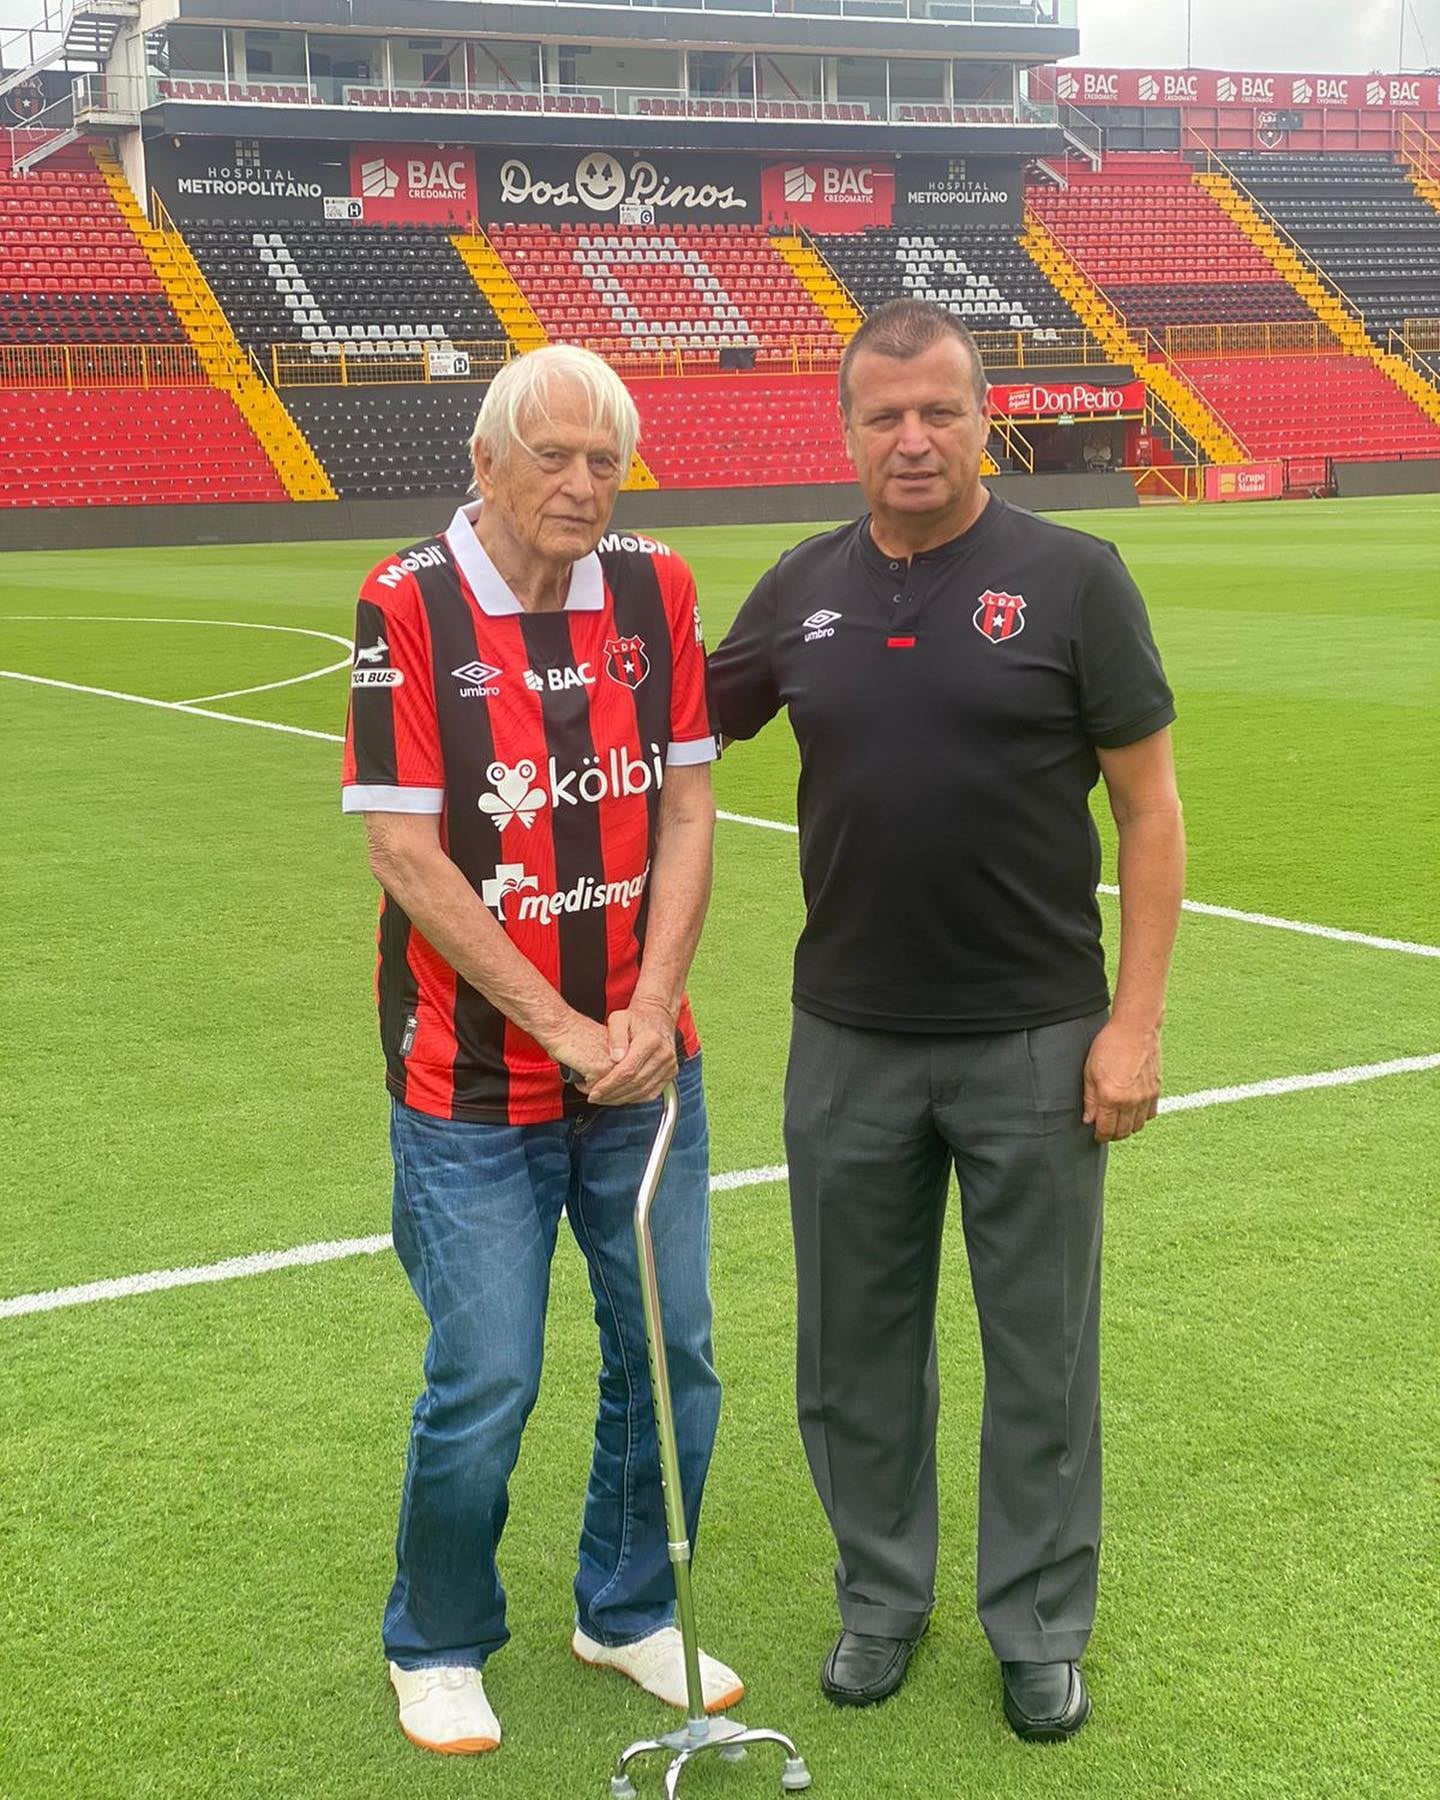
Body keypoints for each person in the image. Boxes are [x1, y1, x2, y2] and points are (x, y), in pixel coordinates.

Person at [707, 300, 1184, 1742]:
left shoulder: (1075, 578)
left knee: (1041, 1351)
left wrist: (1134, 1025)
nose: (913, 438)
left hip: (1036, 1036)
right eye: (885, 416)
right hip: (846, 1036)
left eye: (940, 411)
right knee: (854, 1348)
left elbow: (1150, 811)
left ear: (986, 420)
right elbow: (673, 723)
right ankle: (880, 1599)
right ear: (848, 431)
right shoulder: (801, 585)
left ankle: (1037, 1627)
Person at [342, 345, 741, 1756]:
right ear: (485, 462)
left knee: (673, 1353)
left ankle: (626, 1609)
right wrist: (569, 1030)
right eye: (553, 456)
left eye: (604, 461)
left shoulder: (656, 587)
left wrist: (650, 1008)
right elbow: (407, 854)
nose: (582, 485)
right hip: (470, 1086)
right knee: (488, 1374)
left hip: (644, 1070)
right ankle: (439, 1639)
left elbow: (687, 809)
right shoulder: (408, 600)